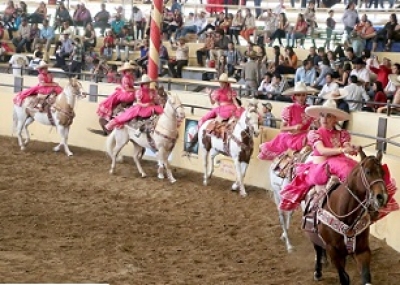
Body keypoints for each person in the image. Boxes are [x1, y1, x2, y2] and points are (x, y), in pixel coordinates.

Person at [279, 100, 398, 220]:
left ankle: (374, 199)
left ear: (335, 119)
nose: (325, 119)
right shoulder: (314, 133)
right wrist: (342, 150)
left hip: (338, 161)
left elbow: (346, 146)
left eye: (329, 116)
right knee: (349, 171)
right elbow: (322, 150)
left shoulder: (342, 134)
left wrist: (353, 148)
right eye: (322, 115)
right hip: (321, 166)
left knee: (363, 170)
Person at [258, 82, 318, 160]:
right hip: (292, 137)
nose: (301, 97)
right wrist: (294, 127)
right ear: (294, 96)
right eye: (298, 95)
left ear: (306, 95)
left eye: (303, 95)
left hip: (305, 137)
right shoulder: (289, 109)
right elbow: (282, 128)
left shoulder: (310, 109)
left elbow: (317, 123)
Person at [97, 62, 137, 135]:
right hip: (126, 93)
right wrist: (136, 89)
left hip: (129, 92)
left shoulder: (131, 77)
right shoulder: (125, 78)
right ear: (125, 71)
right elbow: (127, 89)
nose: (130, 72)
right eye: (128, 70)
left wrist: (135, 89)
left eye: (131, 70)